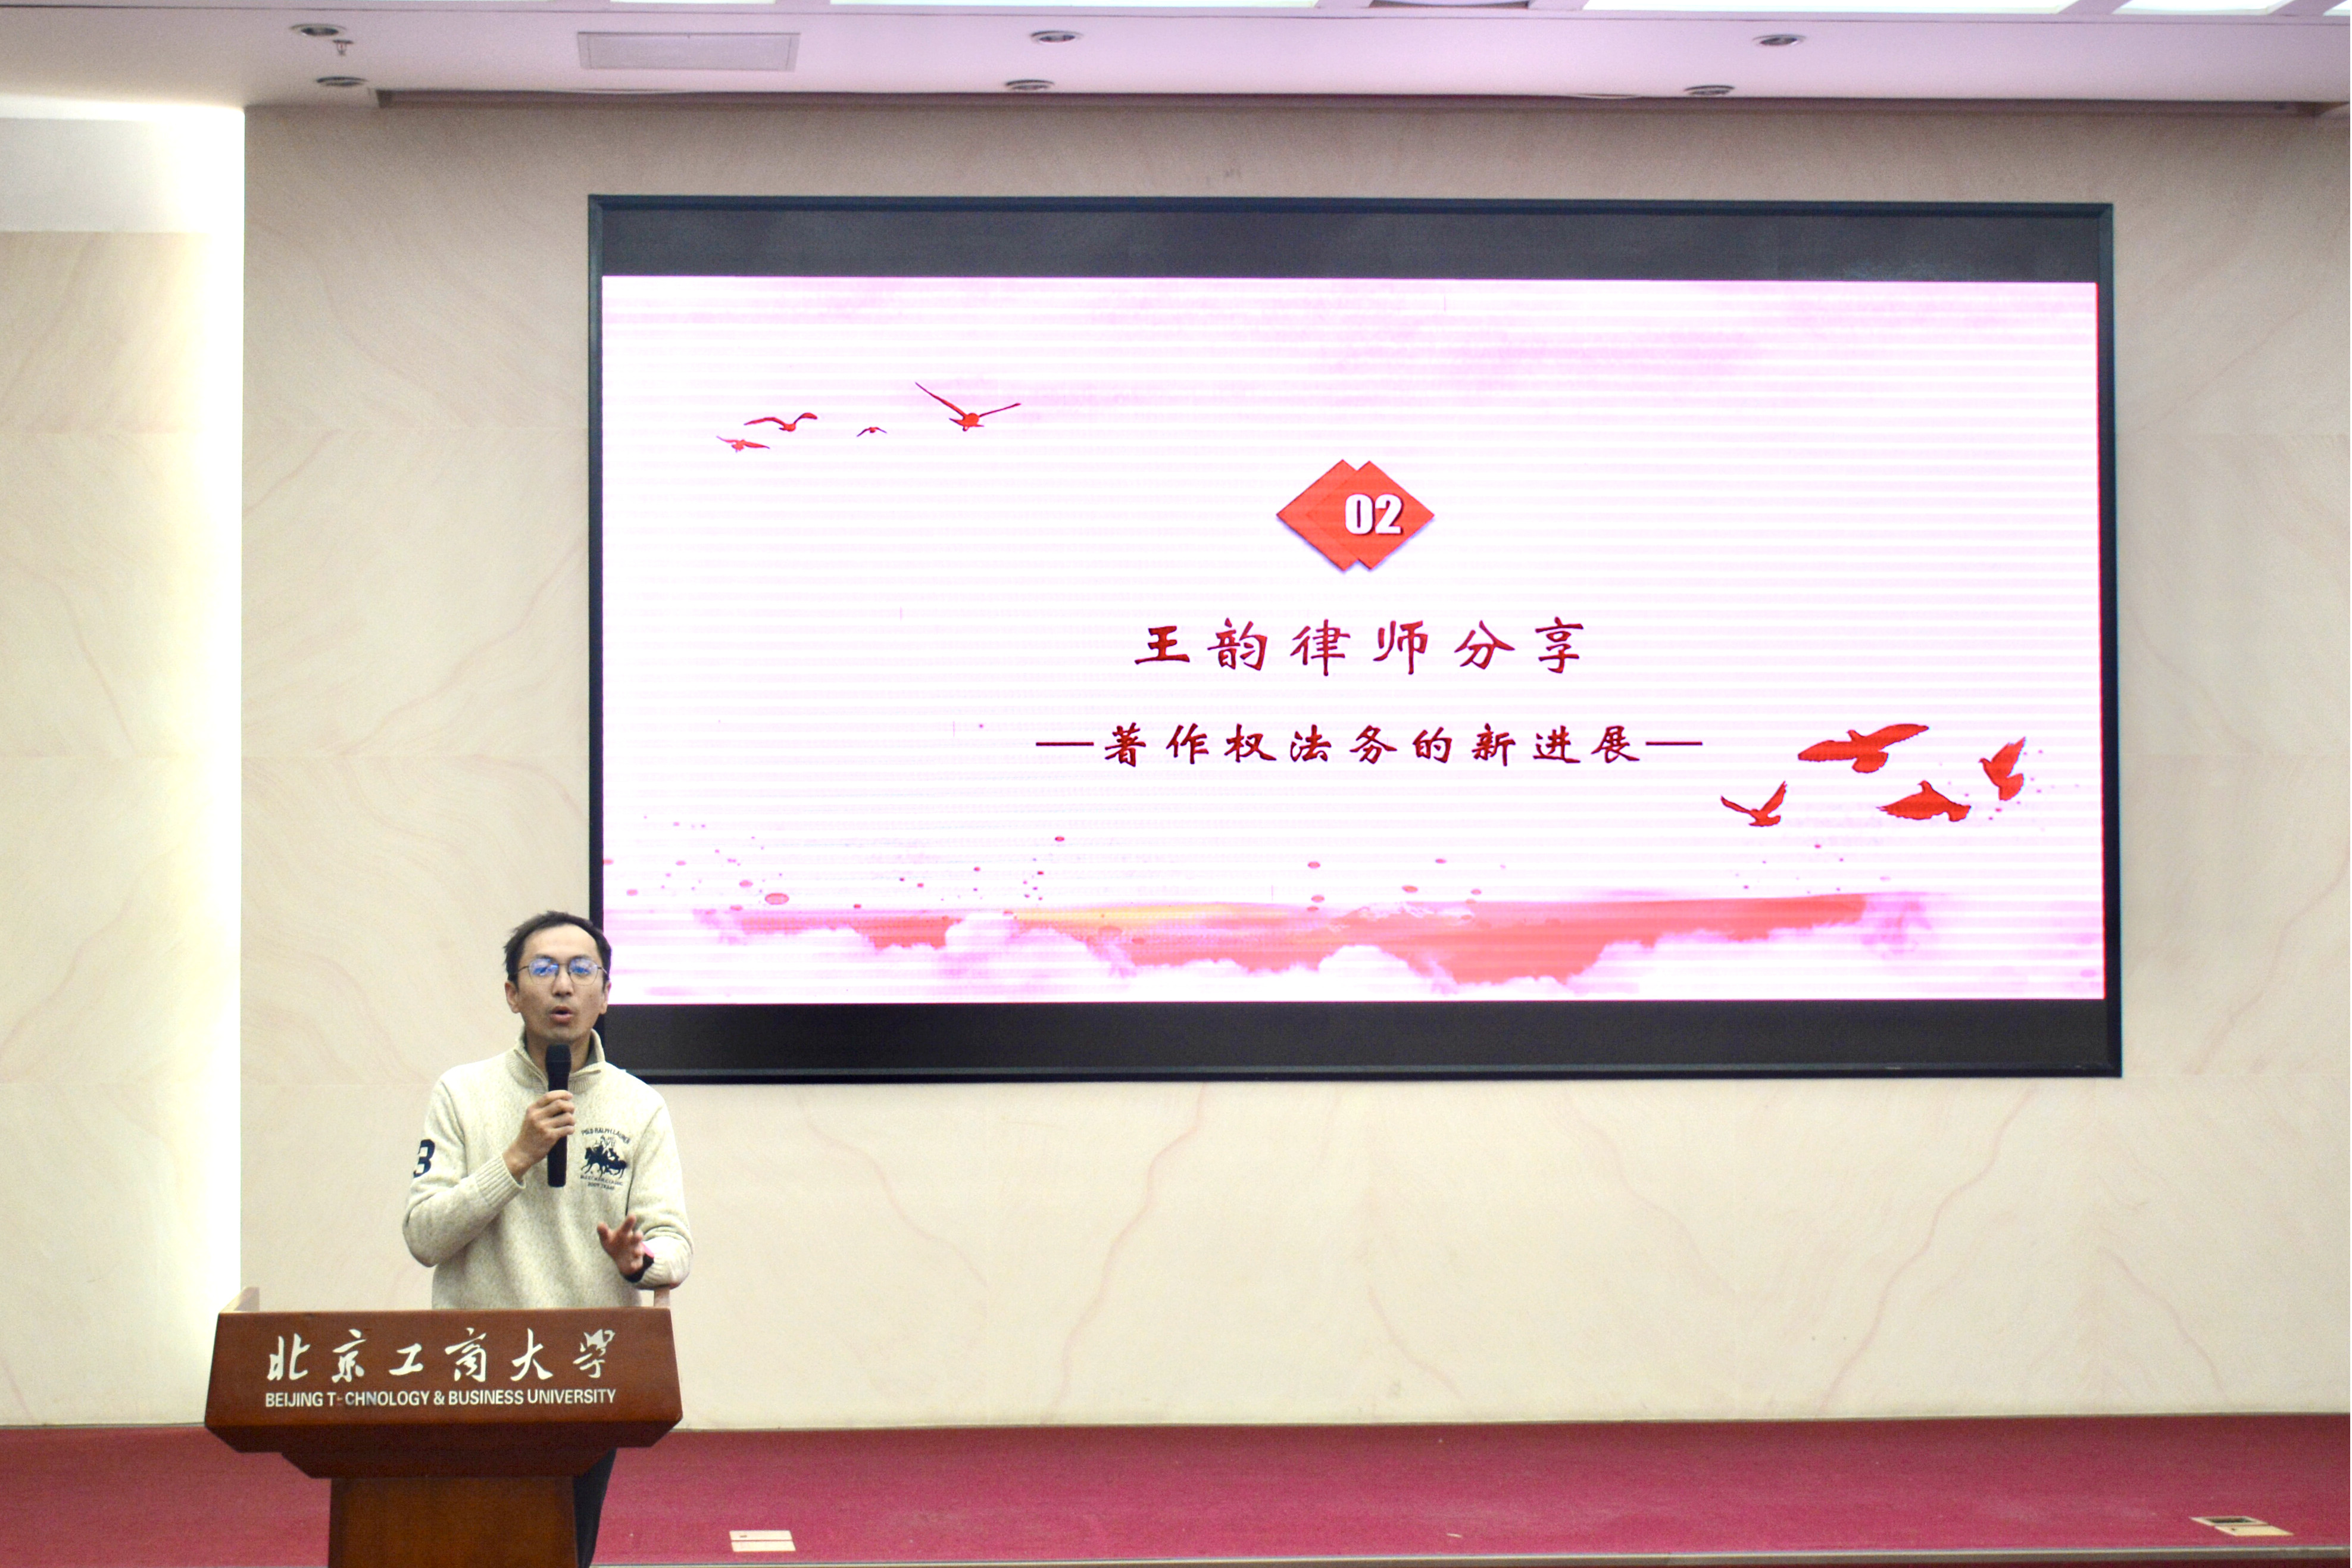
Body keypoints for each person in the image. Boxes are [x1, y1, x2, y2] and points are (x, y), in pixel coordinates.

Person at [405, 911, 692, 1568]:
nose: (563, 985)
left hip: (587, 1372)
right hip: (477, 1370)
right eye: (543, 969)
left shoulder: (639, 1106)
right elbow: (424, 1235)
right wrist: (514, 1159)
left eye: (581, 969)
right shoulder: (462, 1094)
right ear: (513, 993)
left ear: (605, 993)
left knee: (564, 1553)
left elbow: (674, 1244)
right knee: (471, 1553)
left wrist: (639, 1262)